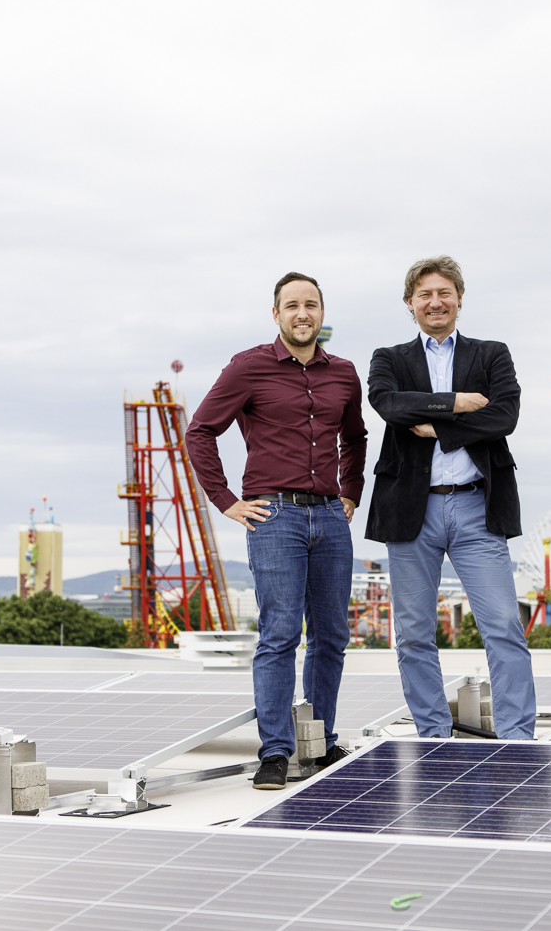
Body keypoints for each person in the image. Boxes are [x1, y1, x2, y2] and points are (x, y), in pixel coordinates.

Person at [187, 272, 367, 789]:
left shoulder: (344, 373)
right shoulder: (248, 367)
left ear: (321, 313)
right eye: (292, 305)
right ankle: (275, 752)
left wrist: (350, 492)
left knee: (332, 636)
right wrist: (225, 502)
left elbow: (355, 437)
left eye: (311, 305)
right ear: (277, 314)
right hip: (275, 518)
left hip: (331, 518)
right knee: (280, 634)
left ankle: (320, 743)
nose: (302, 313)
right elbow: (200, 431)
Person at [365, 255, 536, 740]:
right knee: (415, 634)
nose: (435, 302)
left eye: (444, 293)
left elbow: (504, 417)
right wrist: (456, 404)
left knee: (503, 626)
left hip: (477, 507)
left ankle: (517, 737)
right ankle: (434, 736)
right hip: (409, 512)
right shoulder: (389, 359)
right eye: (425, 295)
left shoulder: (492, 354)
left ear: (459, 298)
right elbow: (388, 405)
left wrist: (435, 426)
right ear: (410, 304)